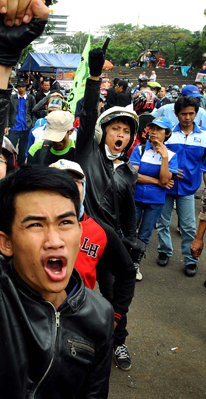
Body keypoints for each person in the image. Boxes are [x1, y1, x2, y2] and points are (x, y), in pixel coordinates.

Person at [0, 2, 114, 394]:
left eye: (65, 221)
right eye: (35, 224)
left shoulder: (99, 317)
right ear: (4, 241)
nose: (55, 239)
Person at [73, 47, 142, 372]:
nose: (121, 134)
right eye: (116, 128)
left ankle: (119, 342)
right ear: (105, 132)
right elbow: (88, 114)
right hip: (82, 240)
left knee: (116, 299)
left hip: (110, 244)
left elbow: (128, 212)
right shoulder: (87, 151)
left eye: (127, 131)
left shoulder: (128, 172)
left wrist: (133, 239)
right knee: (73, 293)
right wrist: (95, 77)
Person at [51, 159, 136, 356]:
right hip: (33, 320)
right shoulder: (31, 227)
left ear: (85, 188)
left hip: (78, 325)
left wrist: (115, 316)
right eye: (62, 181)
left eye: (76, 182)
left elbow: (126, 273)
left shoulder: (100, 232)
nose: (70, 188)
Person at [155, 96, 206, 277]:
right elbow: (157, 157)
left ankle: (191, 260)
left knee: (188, 226)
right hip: (165, 186)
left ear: (196, 113)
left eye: (191, 113)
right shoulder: (167, 135)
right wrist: (169, 172)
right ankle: (164, 251)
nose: (187, 117)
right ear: (177, 115)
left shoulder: (204, 137)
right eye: (183, 114)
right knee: (162, 222)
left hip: (188, 189)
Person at [130, 117, 177, 281]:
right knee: (128, 231)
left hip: (155, 202)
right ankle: (124, 263)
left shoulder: (171, 156)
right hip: (135, 198)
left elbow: (166, 180)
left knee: (144, 234)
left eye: (159, 129)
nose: (154, 132)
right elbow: (134, 175)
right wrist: (157, 181)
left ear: (167, 133)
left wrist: (164, 157)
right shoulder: (140, 149)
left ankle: (135, 264)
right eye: (152, 128)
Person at [5, 79, 36, 165]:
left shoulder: (30, 98)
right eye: (19, 86)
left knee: (23, 150)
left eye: (23, 86)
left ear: (26, 87)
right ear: (17, 87)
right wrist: (6, 125)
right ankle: (11, 165)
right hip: (14, 126)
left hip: (26, 127)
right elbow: (8, 112)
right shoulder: (12, 98)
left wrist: (33, 124)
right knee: (11, 148)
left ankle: (20, 167)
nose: (21, 89)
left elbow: (34, 112)